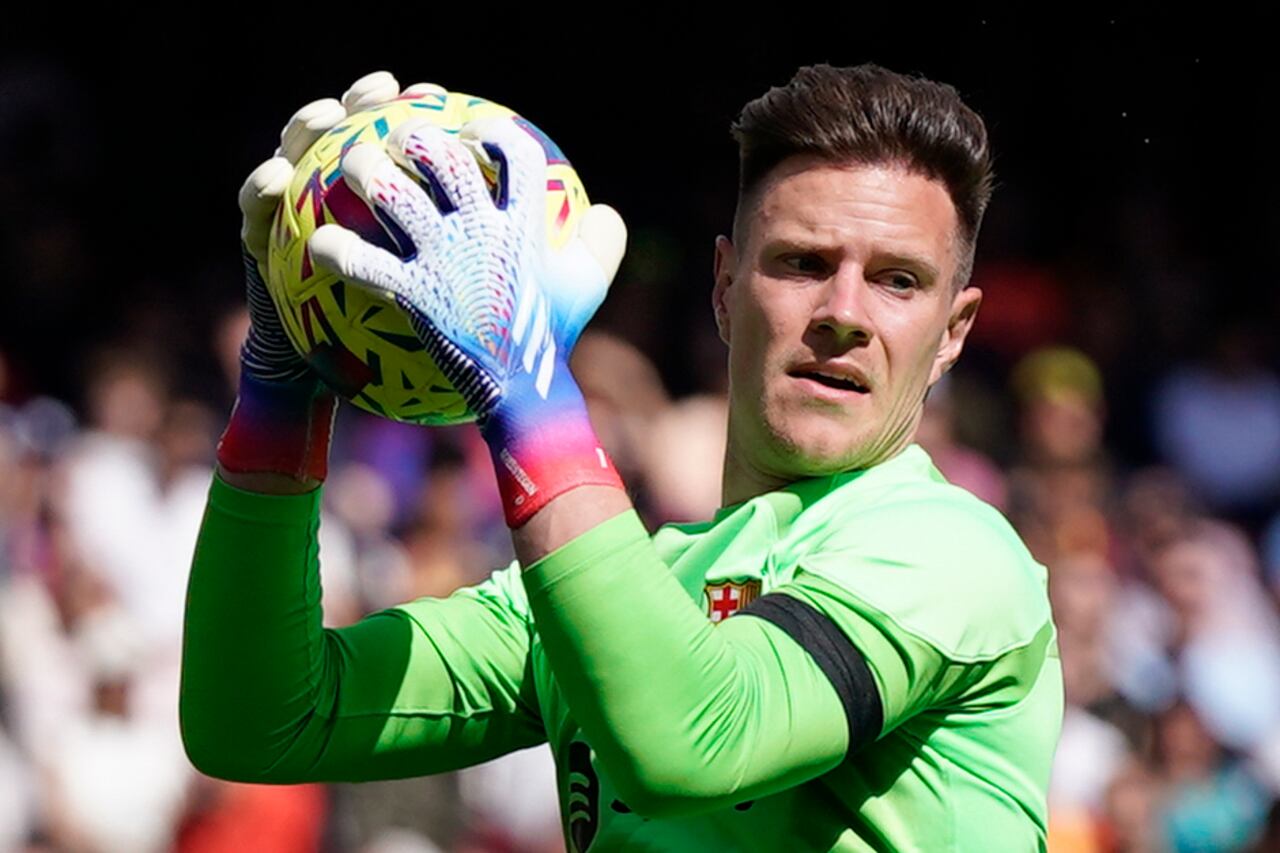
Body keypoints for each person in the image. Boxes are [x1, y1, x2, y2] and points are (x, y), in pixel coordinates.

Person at [180, 64, 1063, 851]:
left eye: (897, 279)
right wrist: (283, 398)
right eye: (801, 262)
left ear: (953, 334)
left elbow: (690, 739)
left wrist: (529, 390)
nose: (844, 310)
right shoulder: (621, 587)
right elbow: (256, 720)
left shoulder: (957, 552)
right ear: (723, 288)